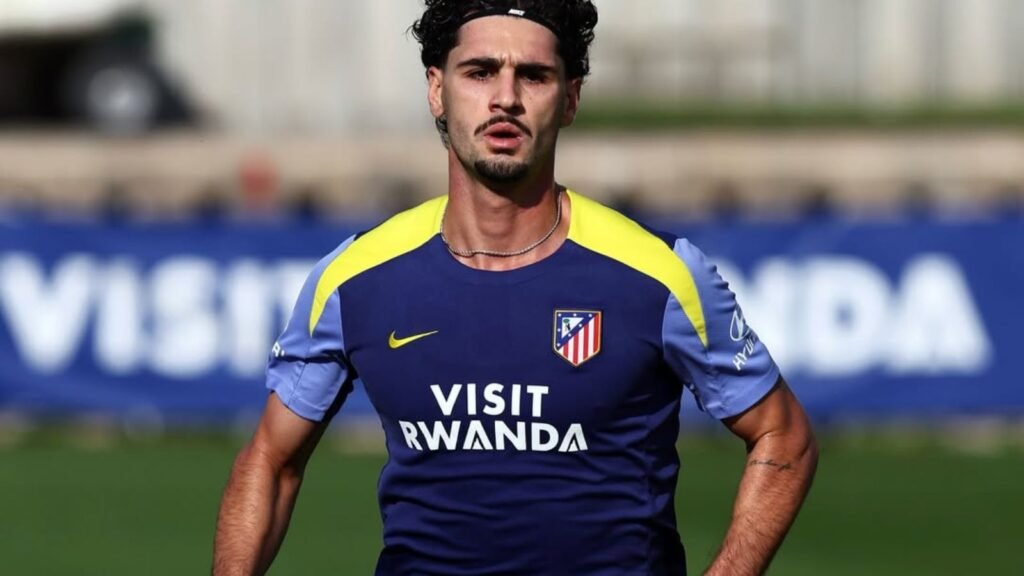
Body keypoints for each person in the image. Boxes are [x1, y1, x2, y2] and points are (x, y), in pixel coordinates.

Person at [212, 1, 818, 574]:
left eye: (533, 75)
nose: (505, 98)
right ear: (436, 89)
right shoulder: (354, 279)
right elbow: (271, 460)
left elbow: (783, 437)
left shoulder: (660, 274)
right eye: (479, 72)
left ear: (570, 98)